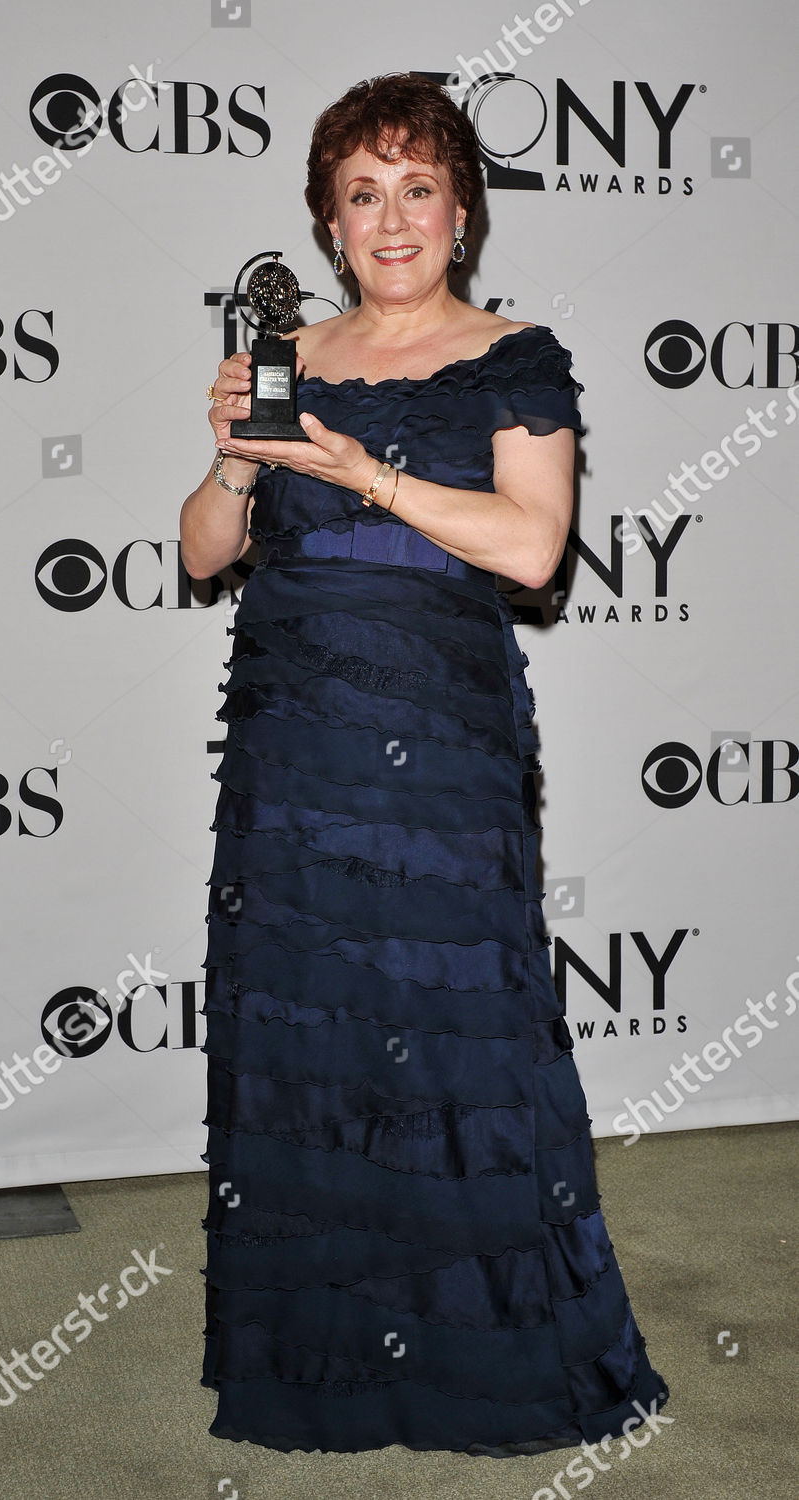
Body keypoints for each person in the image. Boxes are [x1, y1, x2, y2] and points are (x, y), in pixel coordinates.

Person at [180, 72, 669, 1459]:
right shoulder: (290, 354)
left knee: (457, 1032)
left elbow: (531, 549)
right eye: (361, 193)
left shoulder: (516, 355)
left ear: (461, 207)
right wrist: (234, 459)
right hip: (293, 750)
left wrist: (361, 471)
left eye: (417, 187)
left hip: (442, 751)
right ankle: (320, 1361)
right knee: (314, 1025)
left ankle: (497, 1356)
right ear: (331, 224)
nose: (391, 218)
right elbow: (205, 551)